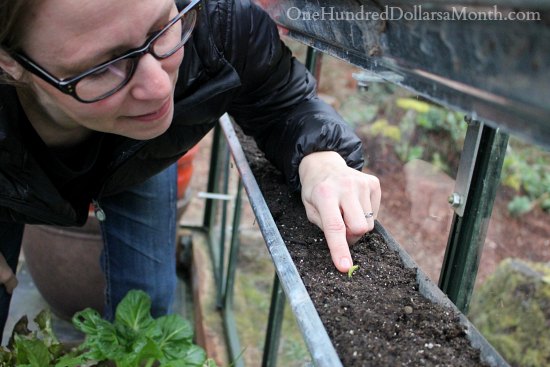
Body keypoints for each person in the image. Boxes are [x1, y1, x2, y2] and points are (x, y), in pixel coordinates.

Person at [0, 0, 381, 335]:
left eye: (162, 28)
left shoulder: (220, 22)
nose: (158, 88)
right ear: (10, 64)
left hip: (138, 155)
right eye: (101, 68)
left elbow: (283, 102)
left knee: (146, 306)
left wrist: (321, 158)